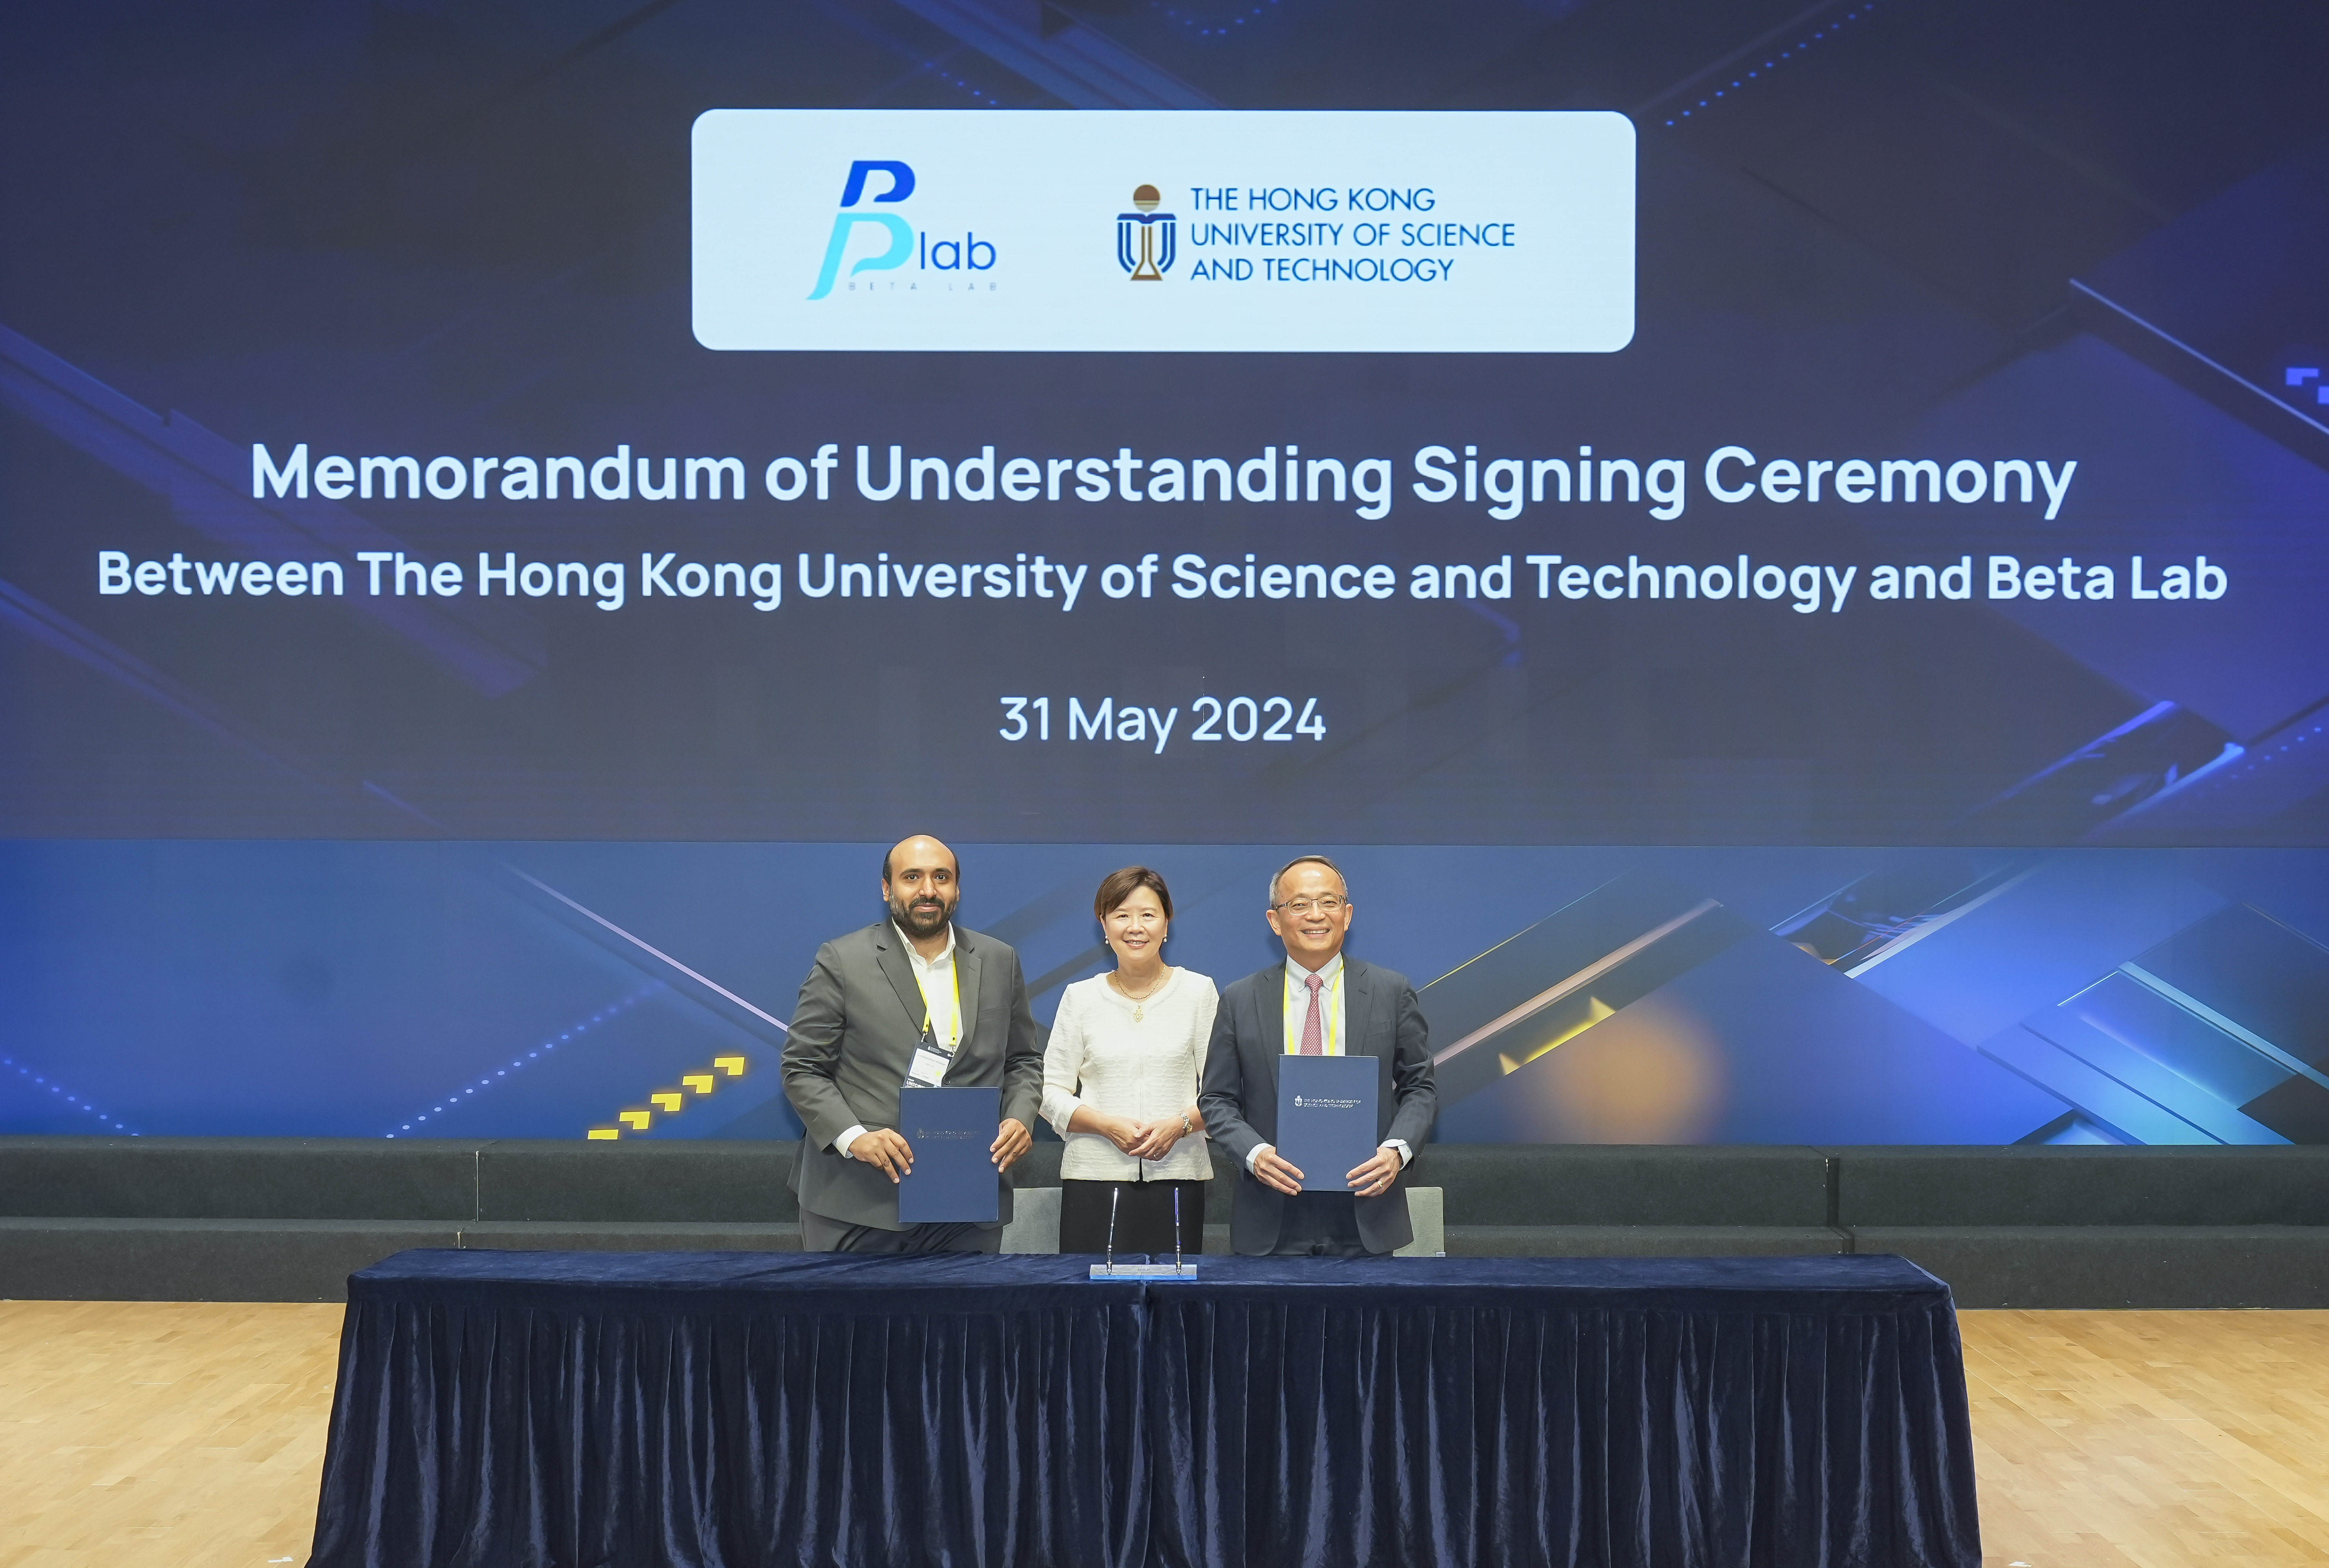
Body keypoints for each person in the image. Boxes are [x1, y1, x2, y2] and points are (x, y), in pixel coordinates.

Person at [781, 835, 1044, 1252]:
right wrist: (854, 1137)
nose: (928, 890)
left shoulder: (999, 959)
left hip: (968, 1201)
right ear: (887, 889)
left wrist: (1019, 1117)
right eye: (912, 877)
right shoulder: (842, 959)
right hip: (858, 1200)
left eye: (941, 877)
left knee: (965, 1321)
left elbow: (1024, 1061)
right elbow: (802, 1068)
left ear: (956, 889)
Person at [1198, 854, 1436, 1256]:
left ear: (1347, 914)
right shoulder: (1239, 998)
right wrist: (1254, 1154)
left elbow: (1420, 1087)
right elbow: (1216, 1099)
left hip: (1365, 1209)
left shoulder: (1390, 990)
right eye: (1299, 903)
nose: (1316, 915)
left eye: (1329, 901)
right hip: (1270, 1213)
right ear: (1275, 920)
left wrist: (1396, 1150)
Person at [1041, 866, 1218, 1257]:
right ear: (1104, 925)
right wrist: (1106, 1125)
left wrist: (1180, 1124)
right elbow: (1050, 1091)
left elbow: (1222, 1091)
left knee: (1173, 1307)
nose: (1135, 926)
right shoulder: (1080, 997)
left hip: (1177, 1173)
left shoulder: (1198, 992)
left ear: (1167, 922)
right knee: (1092, 1309)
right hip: (1092, 1179)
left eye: (1148, 914)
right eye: (1121, 915)